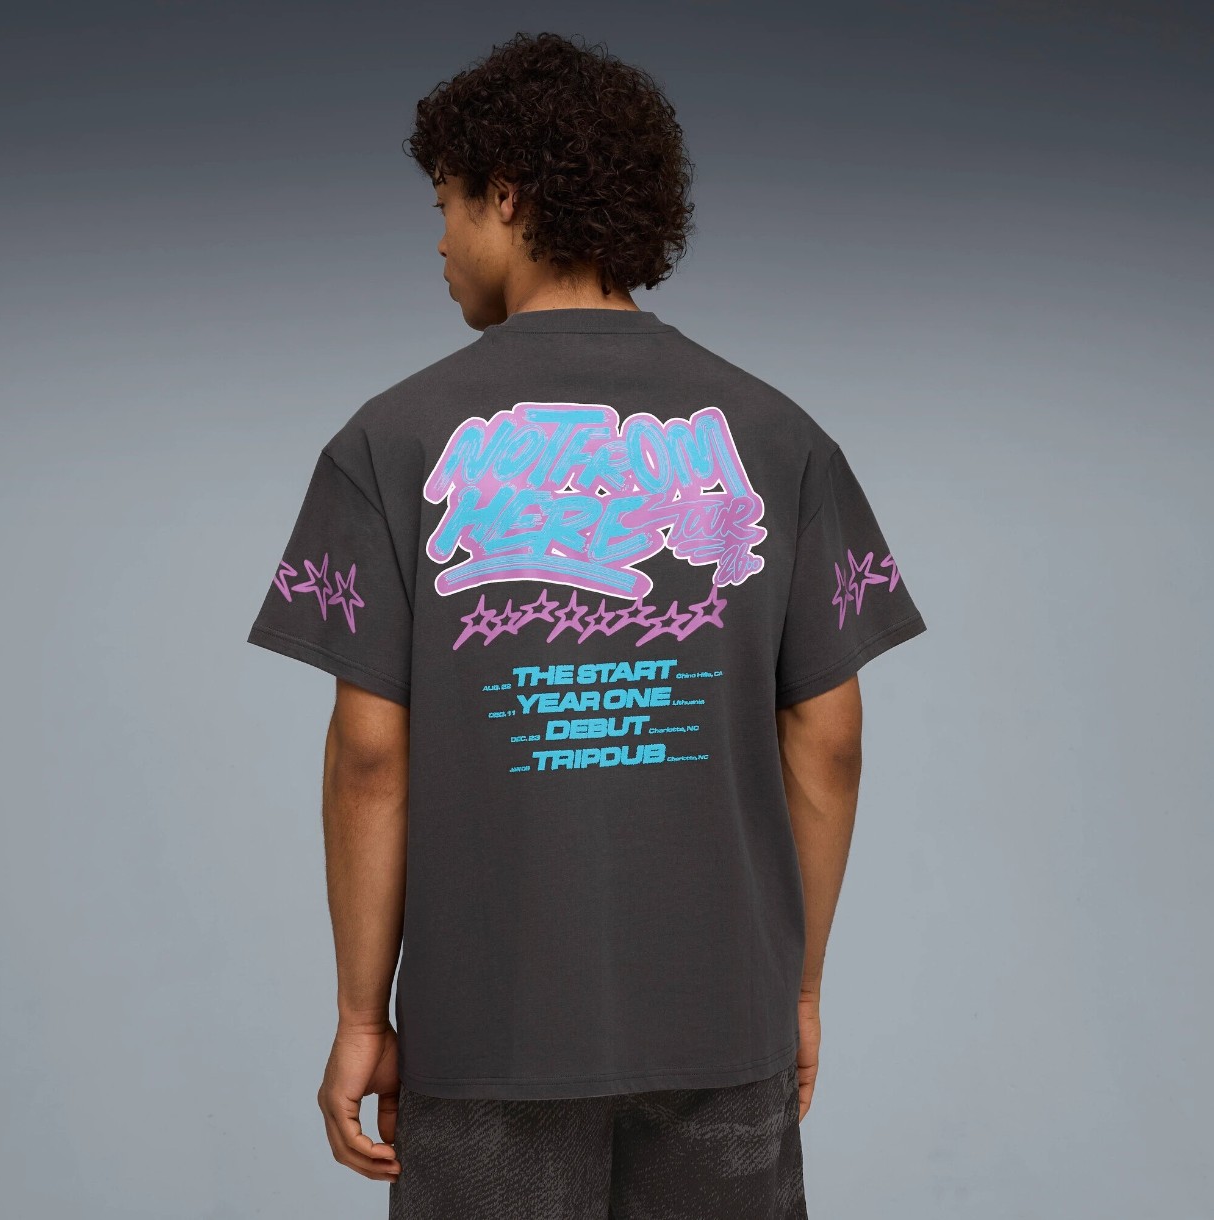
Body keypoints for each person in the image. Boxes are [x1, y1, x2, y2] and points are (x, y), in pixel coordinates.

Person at [246, 30, 927, 1220]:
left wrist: (362, 1014)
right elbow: (828, 737)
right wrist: (795, 989)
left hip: (485, 1034)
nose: (439, 243)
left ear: (506, 196)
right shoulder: (780, 437)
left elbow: (369, 756)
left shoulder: (387, 442)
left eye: (446, 205)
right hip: (723, 1021)